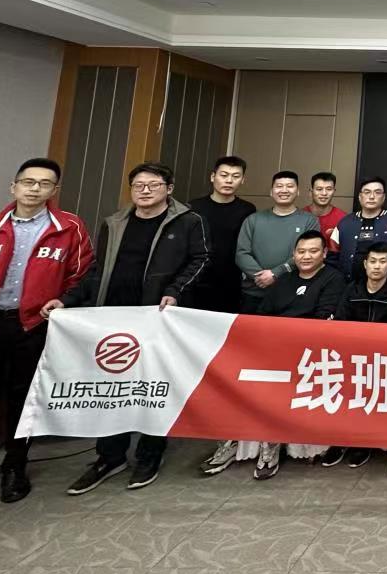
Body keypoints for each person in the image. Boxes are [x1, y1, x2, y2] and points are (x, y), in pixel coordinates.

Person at [49, 162, 210, 495]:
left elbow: (202, 259)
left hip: (158, 317)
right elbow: (98, 270)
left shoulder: (189, 221)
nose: (145, 190)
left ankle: (150, 454)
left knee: (154, 386)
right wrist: (67, 300)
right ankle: (110, 456)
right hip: (114, 318)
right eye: (138, 185)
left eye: (153, 184)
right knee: (113, 388)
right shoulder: (114, 222)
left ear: (169, 188)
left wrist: (175, 290)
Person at [0, 158, 93, 509]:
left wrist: (63, 302)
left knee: (24, 402)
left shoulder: (70, 229)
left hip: (32, 326)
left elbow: (81, 275)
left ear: (54, 190)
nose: (35, 189)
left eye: (44, 184)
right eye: (28, 182)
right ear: (13, 187)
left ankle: (14, 469)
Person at [245, 230, 346, 480]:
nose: (306, 256)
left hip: (311, 352)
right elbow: (263, 314)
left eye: (313, 251)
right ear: (293, 254)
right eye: (301, 252)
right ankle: (239, 440)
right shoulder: (285, 280)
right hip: (275, 348)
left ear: (324, 253)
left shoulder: (333, 279)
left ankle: (272, 445)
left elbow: (323, 319)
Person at [322, 241, 387, 469]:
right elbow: (340, 322)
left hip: (386, 358)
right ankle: (341, 440)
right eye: (372, 261)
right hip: (353, 356)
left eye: (382, 262)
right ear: (365, 264)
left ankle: (364, 443)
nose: (377, 266)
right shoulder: (353, 288)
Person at [234, 171, 321, 312]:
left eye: (290, 186)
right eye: (279, 186)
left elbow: (309, 254)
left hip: (292, 292)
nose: (284, 190)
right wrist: (262, 277)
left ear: (298, 191)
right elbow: (241, 254)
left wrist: (275, 274)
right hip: (253, 292)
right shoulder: (253, 219)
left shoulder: (309, 221)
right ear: (271, 192)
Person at [187, 156, 256, 313]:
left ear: (243, 180)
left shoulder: (247, 209)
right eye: (224, 175)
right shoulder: (194, 207)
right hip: (197, 276)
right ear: (213, 177)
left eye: (236, 176)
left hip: (231, 279)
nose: (229, 181)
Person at [329, 177, 387, 282]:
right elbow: (332, 254)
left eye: (377, 192)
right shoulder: (345, 222)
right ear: (360, 197)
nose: (372, 196)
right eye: (367, 192)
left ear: (383, 197)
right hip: (348, 284)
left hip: (385, 285)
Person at [304, 171, 347, 250]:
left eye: (329, 189)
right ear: (311, 192)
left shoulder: (343, 219)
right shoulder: (301, 216)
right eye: (319, 189)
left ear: (334, 192)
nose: (324, 193)